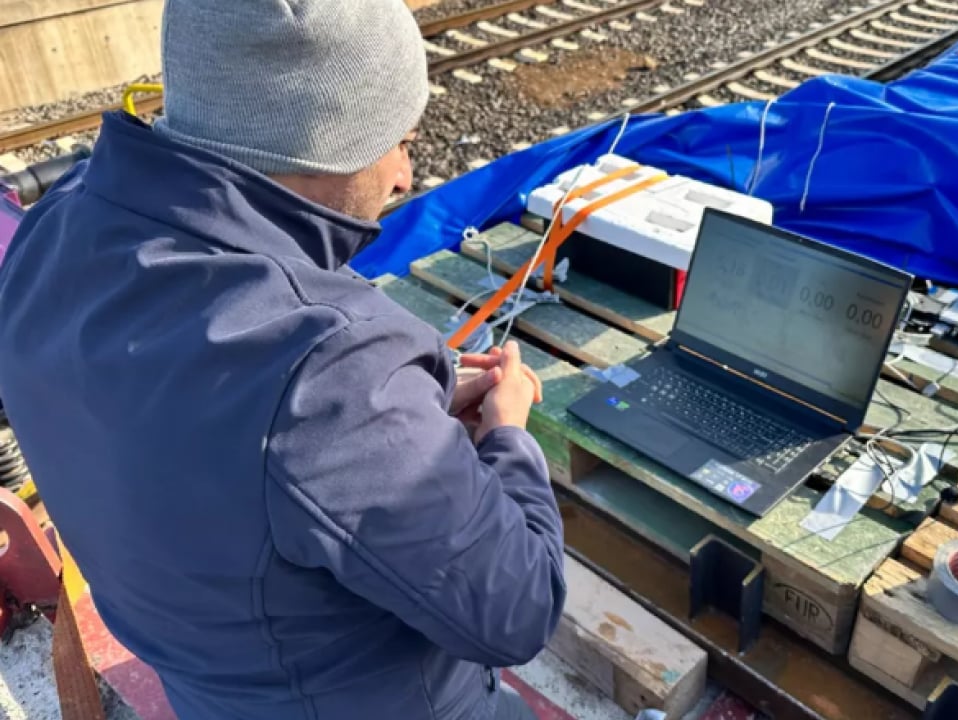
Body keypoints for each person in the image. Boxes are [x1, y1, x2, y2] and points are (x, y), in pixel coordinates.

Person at [0, 0, 565, 718]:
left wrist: (399, 424)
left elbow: (229, 448)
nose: (404, 175)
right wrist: (507, 434)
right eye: (398, 140)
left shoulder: (54, 228)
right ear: (322, 144)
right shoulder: (332, 366)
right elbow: (518, 610)